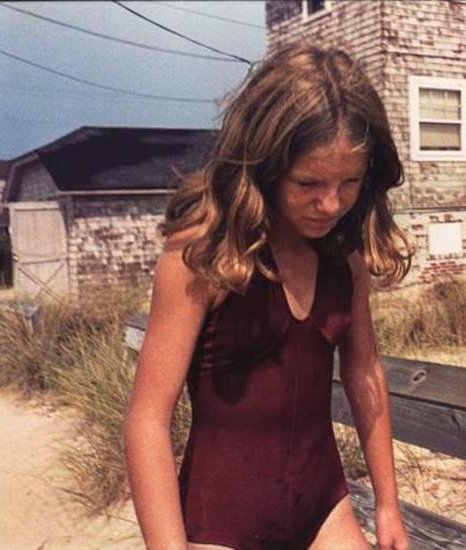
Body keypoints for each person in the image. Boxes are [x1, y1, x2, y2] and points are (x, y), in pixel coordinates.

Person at [124, 44, 412, 550]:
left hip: (324, 509)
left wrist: (387, 506)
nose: (331, 204)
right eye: (309, 183)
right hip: (222, 525)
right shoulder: (203, 254)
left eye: (349, 183)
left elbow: (365, 372)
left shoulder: (344, 256)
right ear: (263, 164)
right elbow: (148, 419)